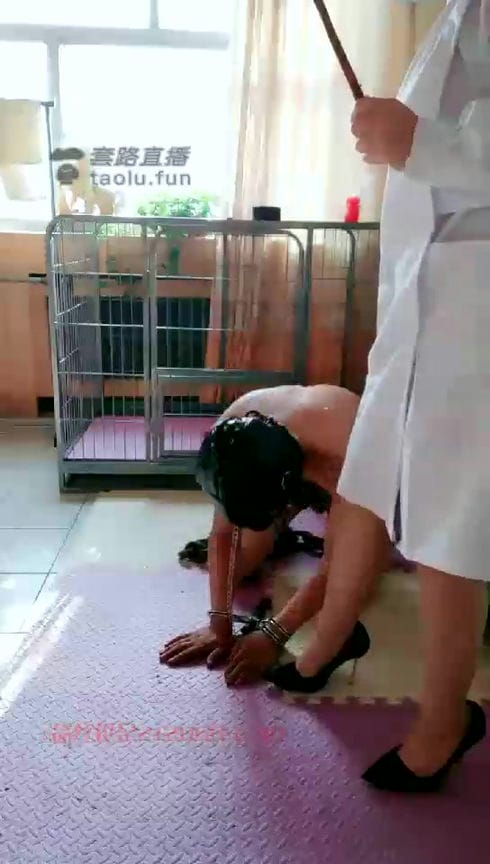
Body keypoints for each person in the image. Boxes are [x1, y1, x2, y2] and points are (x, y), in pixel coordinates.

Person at [295, 0, 490, 793]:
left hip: (473, 305)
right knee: (371, 474)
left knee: (446, 520)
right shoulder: (458, 14)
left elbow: (444, 148)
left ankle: (443, 721)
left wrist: (421, 144)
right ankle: (329, 637)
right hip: (427, 293)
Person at [159, 383, 389, 690]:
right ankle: (277, 534)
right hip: (290, 469)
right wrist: (219, 623)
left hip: (350, 468)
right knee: (241, 564)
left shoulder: (350, 457)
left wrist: (273, 633)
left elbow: (333, 569)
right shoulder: (230, 438)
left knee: (356, 579)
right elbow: (224, 535)